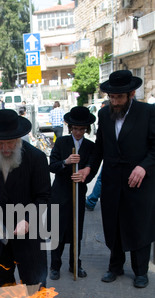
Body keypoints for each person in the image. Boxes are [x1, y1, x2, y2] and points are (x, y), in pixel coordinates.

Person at [93, 70, 155, 288]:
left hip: (139, 181)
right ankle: (115, 266)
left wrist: (144, 167)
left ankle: (140, 271)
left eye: (118, 97)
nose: (114, 101)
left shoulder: (148, 112)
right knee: (114, 224)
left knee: (139, 225)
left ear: (131, 94)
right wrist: (87, 171)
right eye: (111, 97)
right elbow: (99, 147)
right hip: (112, 181)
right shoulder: (104, 115)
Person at [0, 109, 51, 288]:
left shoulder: (36, 158)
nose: (4, 149)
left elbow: (44, 197)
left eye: (9, 143)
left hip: (29, 232)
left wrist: (27, 221)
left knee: (34, 281)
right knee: (4, 279)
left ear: (18, 139)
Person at [49, 106, 96, 280]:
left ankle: (75, 263)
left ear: (86, 129)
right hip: (60, 195)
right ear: (70, 128)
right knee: (58, 232)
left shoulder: (90, 146)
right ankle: (55, 265)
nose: (78, 132)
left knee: (76, 230)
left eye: (82, 129)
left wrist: (85, 173)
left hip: (78, 194)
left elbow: (93, 167)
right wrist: (66, 162)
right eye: (75, 129)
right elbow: (52, 165)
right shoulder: (61, 143)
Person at [85, 100, 109, 211]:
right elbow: (99, 145)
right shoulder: (104, 114)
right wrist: (89, 167)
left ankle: (91, 200)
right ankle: (91, 200)